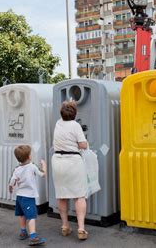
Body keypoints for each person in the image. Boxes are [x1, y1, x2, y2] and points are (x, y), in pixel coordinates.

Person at [51, 100, 89, 240]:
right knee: (79, 195)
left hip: (57, 161)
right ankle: (81, 228)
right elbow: (83, 145)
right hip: (72, 162)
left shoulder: (58, 123)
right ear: (75, 113)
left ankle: (65, 226)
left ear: (62, 113)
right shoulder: (75, 125)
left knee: (62, 194)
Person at [8, 145, 47, 245]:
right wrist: (44, 166)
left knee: (22, 215)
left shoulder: (16, 170)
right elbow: (42, 174)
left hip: (19, 197)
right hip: (28, 197)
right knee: (31, 216)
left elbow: (12, 181)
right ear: (29, 157)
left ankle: (23, 232)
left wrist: (11, 188)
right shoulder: (32, 167)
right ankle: (33, 236)